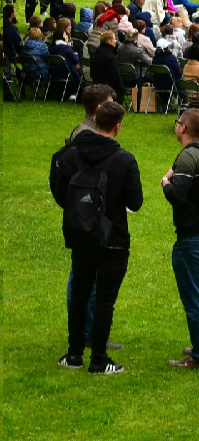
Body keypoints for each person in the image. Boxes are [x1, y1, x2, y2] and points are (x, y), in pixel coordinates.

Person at [51, 100, 142, 375]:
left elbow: (59, 190)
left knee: (79, 293)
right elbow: (135, 202)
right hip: (112, 237)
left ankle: (75, 353)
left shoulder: (71, 155)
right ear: (117, 126)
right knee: (104, 298)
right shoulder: (124, 160)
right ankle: (99, 358)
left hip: (81, 233)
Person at [160, 108, 199, 368]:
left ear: (183, 128)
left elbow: (178, 195)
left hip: (193, 239)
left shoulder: (189, 157)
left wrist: (166, 181)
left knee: (196, 299)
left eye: (177, 123)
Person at [90, 30, 126, 103]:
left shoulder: (96, 53)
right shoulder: (110, 56)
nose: (116, 41)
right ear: (109, 41)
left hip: (97, 85)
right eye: (114, 39)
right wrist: (122, 88)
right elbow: (115, 76)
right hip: (109, 88)